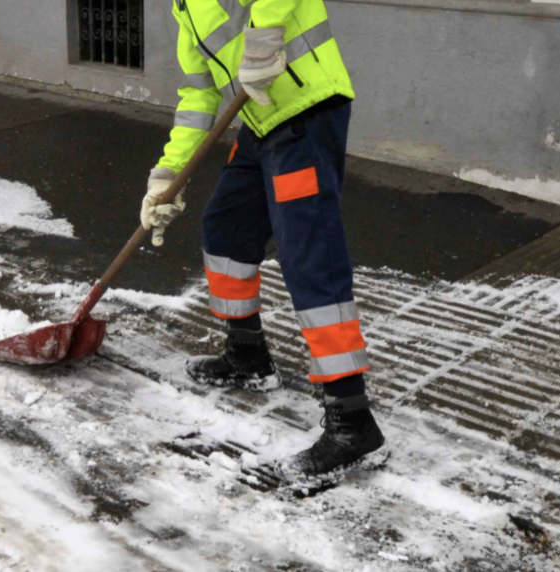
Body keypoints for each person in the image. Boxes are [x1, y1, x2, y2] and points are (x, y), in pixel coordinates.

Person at [140, 0, 384, 479]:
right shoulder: (185, 8)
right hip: (259, 124)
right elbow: (198, 95)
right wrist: (166, 176)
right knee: (226, 230)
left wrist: (267, 31)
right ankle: (248, 356)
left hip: (305, 114)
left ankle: (351, 418)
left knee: (308, 253)